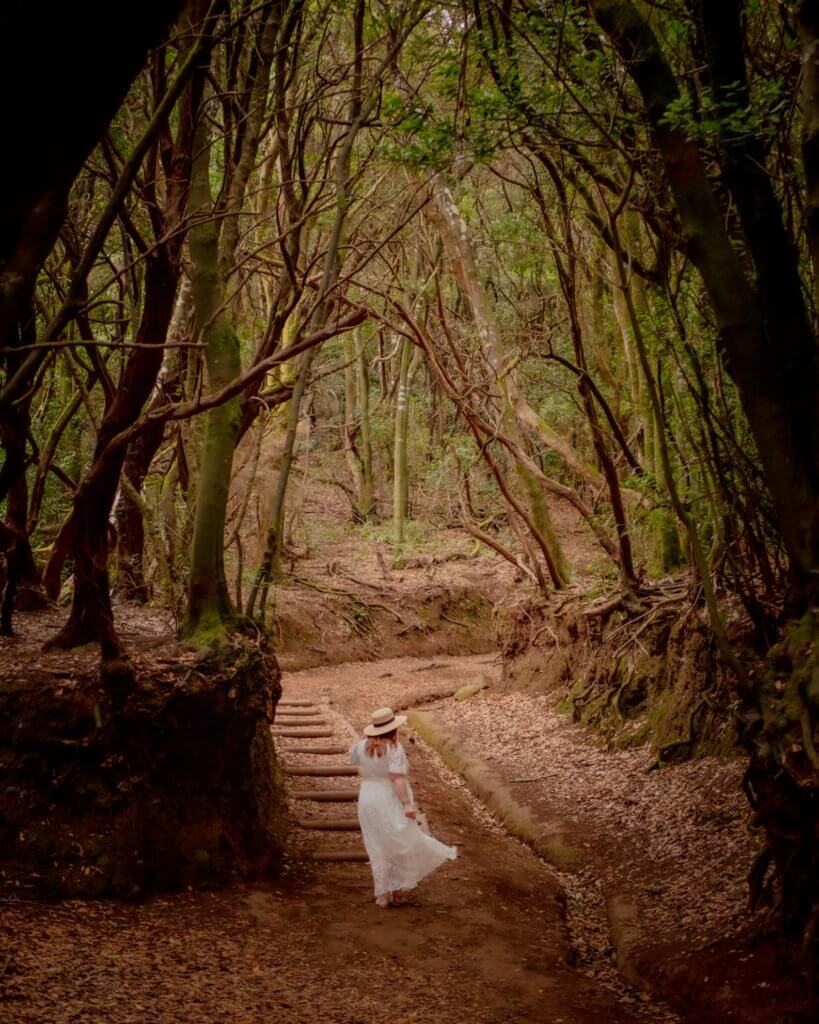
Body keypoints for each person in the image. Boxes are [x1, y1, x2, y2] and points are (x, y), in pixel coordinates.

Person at [349, 706, 457, 908]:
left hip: (368, 797)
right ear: (392, 729)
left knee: (377, 845)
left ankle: (382, 895)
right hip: (388, 797)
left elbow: (354, 760)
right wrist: (407, 804)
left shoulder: (360, 745)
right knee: (398, 843)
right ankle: (396, 892)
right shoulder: (394, 748)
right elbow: (397, 779)